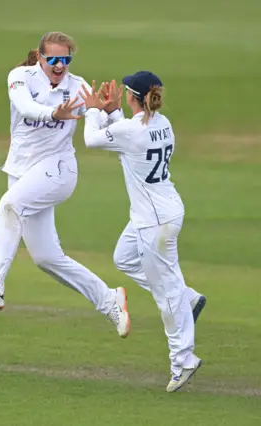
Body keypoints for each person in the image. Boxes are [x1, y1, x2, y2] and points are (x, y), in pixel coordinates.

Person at [0, 32, 130, 339]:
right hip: (22, 170)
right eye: (52, 59)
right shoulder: (20, 77)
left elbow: (115, 135)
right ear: (40, 58)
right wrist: (54, 113)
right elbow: (25, 108)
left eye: (65, 60)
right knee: (47, 258)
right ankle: (110, 300)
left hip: (58, 169)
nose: (59, 66)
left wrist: (111, 111)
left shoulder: (78, 87)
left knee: (9, 205)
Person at [78, 74, 206, 392]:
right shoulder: (163, 123)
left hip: (155, 223)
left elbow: (92, 140)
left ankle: (183, 360)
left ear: (133, 98)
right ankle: (187, 298)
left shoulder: (132, 131)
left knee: (167, 293)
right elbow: (128, 136)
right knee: (124, 257)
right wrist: (112, 111)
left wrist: (94, 109)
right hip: (160, 212)